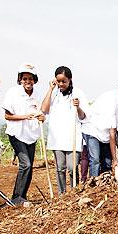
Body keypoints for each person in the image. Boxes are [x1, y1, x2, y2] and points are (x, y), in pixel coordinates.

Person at [42, 66, 90, 194]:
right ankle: (62, 194)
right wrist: (50, 89)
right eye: (59, 81)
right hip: (57, 137)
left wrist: (78, 107)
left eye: (64, 81)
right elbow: (44, 109)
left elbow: (84, 117)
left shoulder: (78, 93)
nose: (61, 84)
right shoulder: (54, 93)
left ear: (70, 80)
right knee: (60, 168)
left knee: (72, 167)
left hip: (72, 137)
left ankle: (75, 192)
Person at [3, 63, 45, 206]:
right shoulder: (13, 92)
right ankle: (16, 197)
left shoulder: (38, 94)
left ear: (35, 80)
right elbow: (7, 116)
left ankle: (22, 197)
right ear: (20, 79)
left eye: (31, 79)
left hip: (31, 135)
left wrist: (42, 118)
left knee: (29, 166)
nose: (28, 81)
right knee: (25, 164)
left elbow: (43, 112)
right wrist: (25, 116)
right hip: (16, 134)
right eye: (25, 78)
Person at [79, 78, 118, 179]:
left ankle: (105, 185)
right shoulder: (110, 100)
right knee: (95, 160)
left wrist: (114, 154)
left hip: (104, 134)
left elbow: (117, 128)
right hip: (92, 130)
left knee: (107, 162)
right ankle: (94, 184)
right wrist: (115, 159)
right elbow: (112, 133)